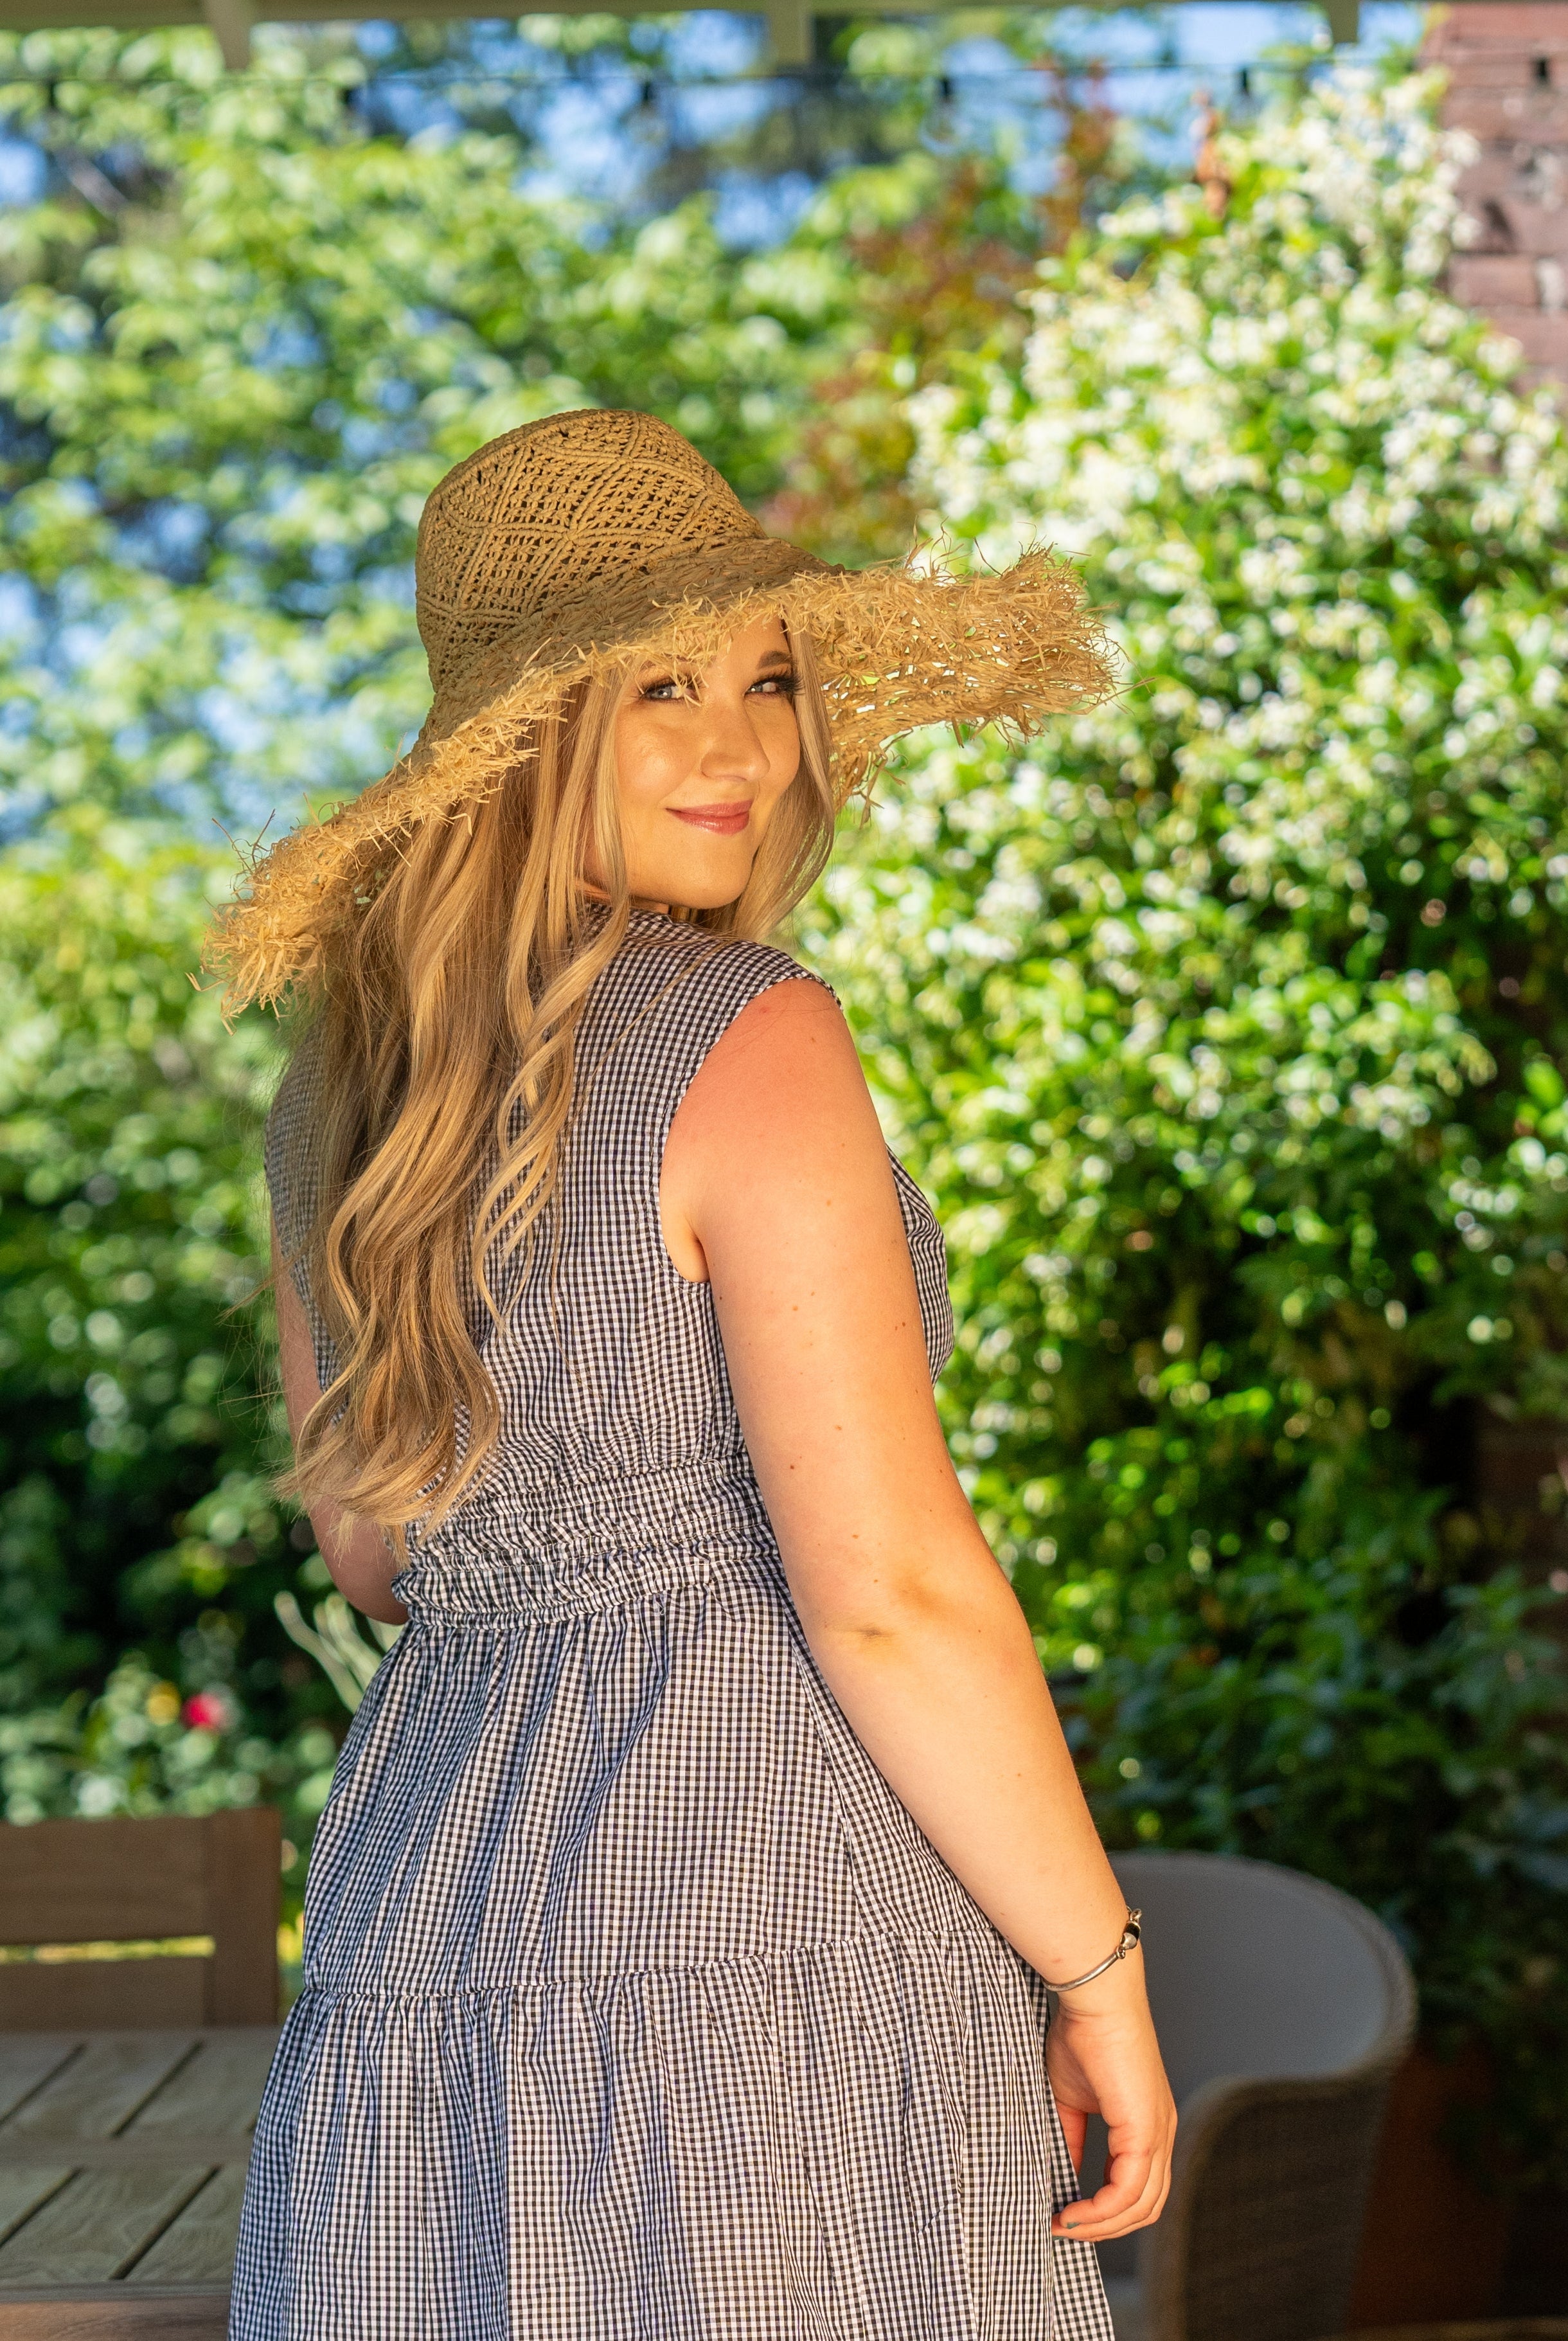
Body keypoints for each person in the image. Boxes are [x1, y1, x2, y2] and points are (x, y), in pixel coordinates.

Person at [211, 408, 1175, 2341]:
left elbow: (387, 1563)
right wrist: (1101, 1964)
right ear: (524, 734)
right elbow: (889, 1590)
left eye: (766, 680)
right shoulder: (754, 1036)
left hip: (425, 1925)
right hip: (759, 1946)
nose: (740, 747)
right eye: (657, 687)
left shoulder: (342, 1097)